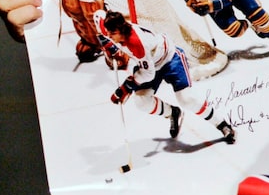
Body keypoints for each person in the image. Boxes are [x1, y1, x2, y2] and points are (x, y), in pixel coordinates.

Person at [96, 9, 237, 145]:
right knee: (142, 101)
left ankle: (222, 125)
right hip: (151, 63)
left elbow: (148, 74)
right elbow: (98, 15)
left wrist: (127, 86)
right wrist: (107, 42)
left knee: (187, 99)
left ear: (122, 30)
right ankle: (173, 113)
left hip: (170, 59)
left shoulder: (137, 44)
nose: (109, 35)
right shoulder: (111, 29)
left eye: (112, 34)